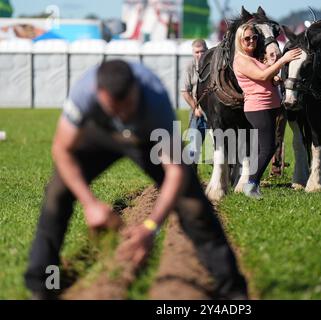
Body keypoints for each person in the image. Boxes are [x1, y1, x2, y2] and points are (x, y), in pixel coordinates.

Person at [24, 60, 248, 300]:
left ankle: (233, 292)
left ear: (135, 90)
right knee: (57, 193)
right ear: (99, 94)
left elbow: (176, 171)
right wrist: (90, 204)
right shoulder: (83, 93)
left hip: (147, 139)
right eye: (114, 108)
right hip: (100, 136)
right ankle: (44, 284)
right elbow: (61, 149)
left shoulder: (155, 100)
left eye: (127, 106)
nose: (122, 114)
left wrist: (150, 227)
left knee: (193, 206)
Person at [233, 23, 301, 199]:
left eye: (254, 37)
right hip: (258, 108)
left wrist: (275, 79)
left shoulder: (253, 58)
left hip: (269, 106)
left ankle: (252, 185)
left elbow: (264, 78)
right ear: (239, 40)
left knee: (265, 148)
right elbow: (262, 76)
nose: (252, 41)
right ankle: (251, 184)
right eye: (247, 38)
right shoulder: (240, 59)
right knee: (269, 148)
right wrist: (282, 60)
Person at [181, 39, 209, 173]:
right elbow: (184, 91)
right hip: (197, 111)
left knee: (221, 142)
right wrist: (195, 108)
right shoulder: (189, 66)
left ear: (207, 50)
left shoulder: (212, 65)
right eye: (197, 52)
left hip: (214, 111)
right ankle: (190, 174)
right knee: (194, 145)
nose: (200, 54)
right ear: (193, 53)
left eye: (202, 51)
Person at [262, 39, 288, 177]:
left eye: (276, 55)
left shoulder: (282, 68)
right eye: (271, 55)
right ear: (265, 56)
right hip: (265, 107)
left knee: (279, 136)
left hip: (280, 106)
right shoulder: (261, 66)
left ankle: (276, 167)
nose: (274, 57)